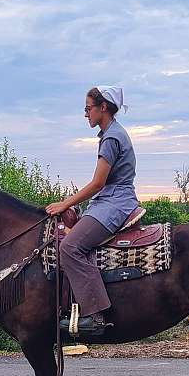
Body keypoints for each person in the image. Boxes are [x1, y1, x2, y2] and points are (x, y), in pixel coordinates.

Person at [46, 85, 139, 336]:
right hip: (109, 200)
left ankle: (95, 316)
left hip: (114, 203)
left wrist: (65, 204)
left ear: (103, 108)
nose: (86, 114)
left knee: (70, 247)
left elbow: (98, 182)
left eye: (88, 109)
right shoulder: (113, 133)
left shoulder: (111, 138)